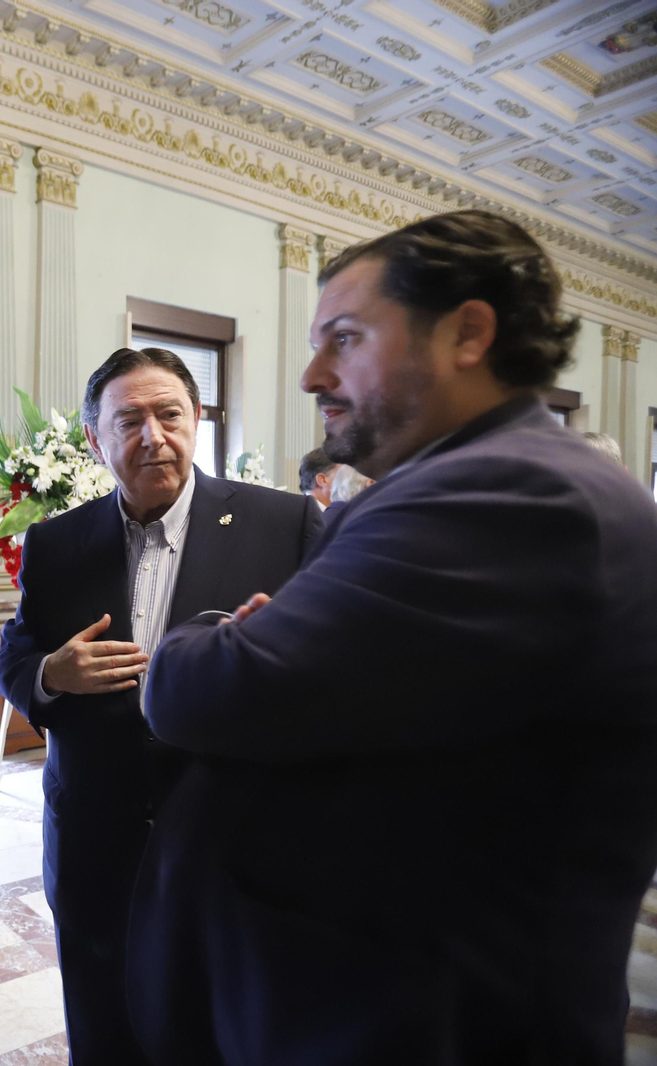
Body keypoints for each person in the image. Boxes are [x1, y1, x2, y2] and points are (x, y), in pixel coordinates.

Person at [129, 210, 657, 1065]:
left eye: (344, 338)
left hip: (433, 1023)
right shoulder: (459, 482)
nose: (311, 374)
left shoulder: (511, 494)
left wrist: (203, 631)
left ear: (467, 333)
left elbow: (208, 693)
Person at [0, 346, 321, 1065]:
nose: (154, 436)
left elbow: (334, 674)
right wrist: (52, 672)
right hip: (94, 850)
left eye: (170, 414)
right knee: (103, 1034)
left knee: (214, 1039)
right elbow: (14, 661)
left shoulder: (285, 526)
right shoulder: (56, 543)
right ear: (95, 438)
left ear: (197, 419)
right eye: (130, 420)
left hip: (228, 849)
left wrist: (266, 658)